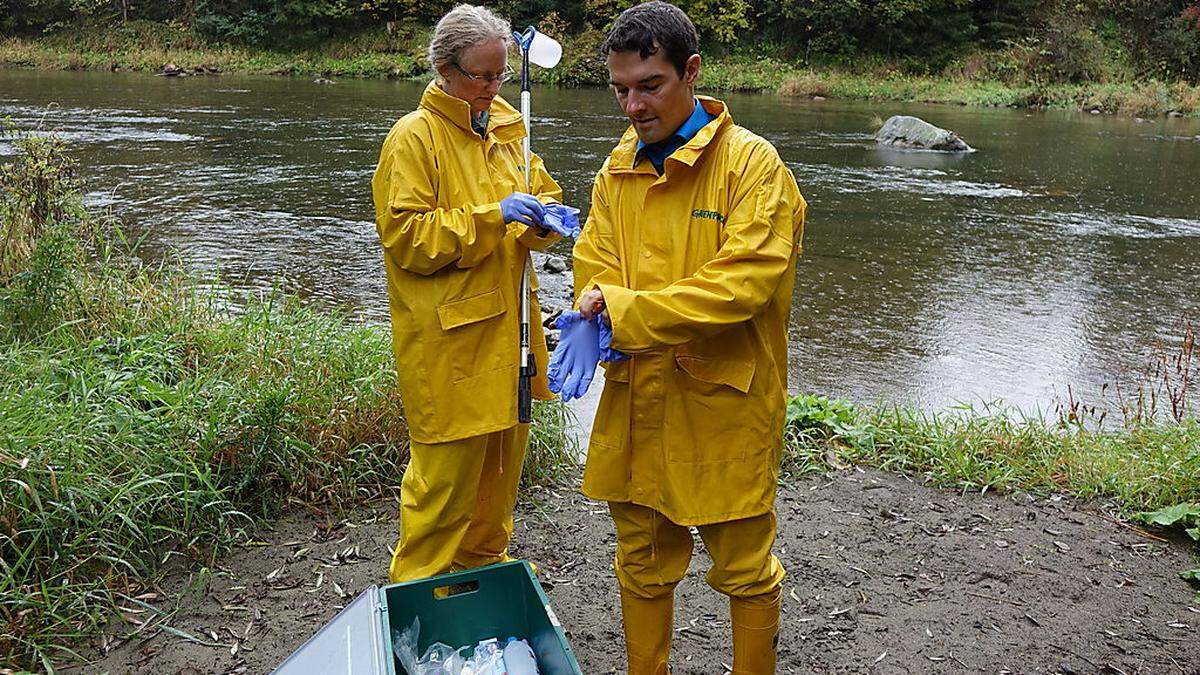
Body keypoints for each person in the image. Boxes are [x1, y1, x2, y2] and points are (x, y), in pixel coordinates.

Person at [551, 2, 807, 672]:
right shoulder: (617, 169)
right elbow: (595, 260)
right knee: (641, 559)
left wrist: (622, 310)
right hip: (638, 399)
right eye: (621, 90)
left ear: (691, 71)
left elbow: (742, 284)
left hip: (724, 407)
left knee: (745, 567)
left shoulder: (753, 166)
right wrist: (588, 310)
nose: (634, 106)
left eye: (650, 85)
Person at [371, 3, 577, 584]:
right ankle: (414, 596)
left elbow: (537, 195)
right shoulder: (414, 139)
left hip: (512, 339)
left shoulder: (510, 129)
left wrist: (546, 221)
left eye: (499, 74)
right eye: (480, 76)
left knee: (497, 489)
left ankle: (483, 583)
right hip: (451, 349)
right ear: (443, 68)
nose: (490, 87)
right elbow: (408, 239)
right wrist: (492, 217)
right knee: (440, 495)